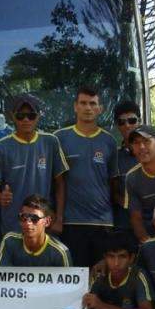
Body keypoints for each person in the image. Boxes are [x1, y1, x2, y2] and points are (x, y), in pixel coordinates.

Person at [0, 94, 68, 235]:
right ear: (12, 116)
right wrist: (1, 197)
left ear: (38, 117)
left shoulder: (50, 142)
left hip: (43, 226)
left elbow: (60, 184)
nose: (25, 120)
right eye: (20, 115)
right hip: (13, 226)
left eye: (31, 115)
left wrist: (59, 219)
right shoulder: (1, 147)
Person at [54, 87, 118, 267]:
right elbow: (55, 182)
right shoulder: (60, 138)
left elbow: (112, 182)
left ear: (100, 109)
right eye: (83, 103)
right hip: (70, 223)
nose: (88, 107)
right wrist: (57, 218)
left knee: (100, 280)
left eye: (92, 103)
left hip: (102, 224)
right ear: (75, 106)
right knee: (74, 279)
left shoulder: (109, 141)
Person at [0, 194, 72, 267]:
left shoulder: (59, 252)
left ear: (47, 222)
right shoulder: (9, 241)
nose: (28, 222)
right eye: (23, 217)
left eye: (34, 218)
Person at [112, 101, 140, 237]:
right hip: (124, 226)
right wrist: (129, 206)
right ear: (117, 126)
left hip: (154, 224)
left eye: (132, 120)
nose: (127, 125)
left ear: (139, 122)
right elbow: (113, 191)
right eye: (122, 122)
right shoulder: (114, 157)